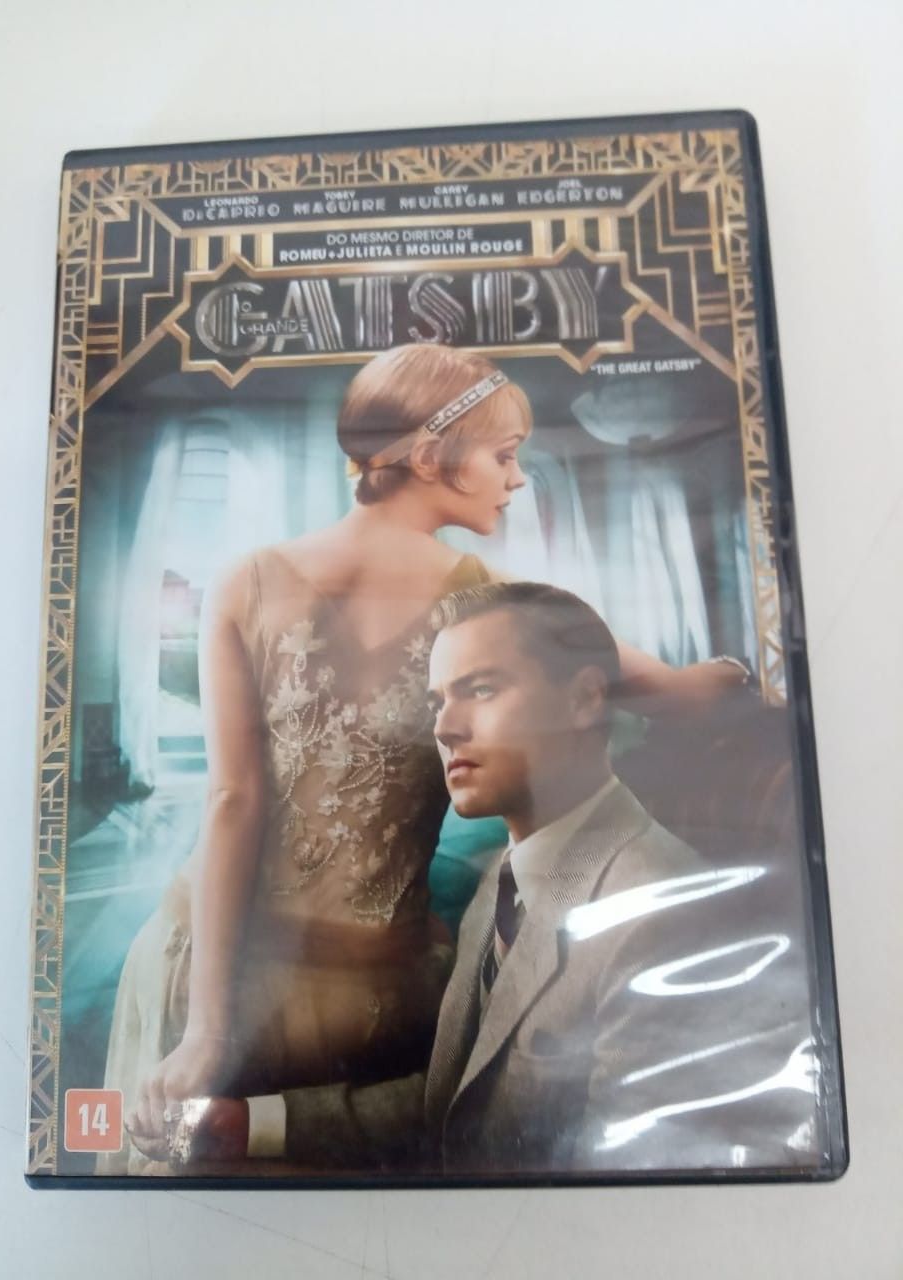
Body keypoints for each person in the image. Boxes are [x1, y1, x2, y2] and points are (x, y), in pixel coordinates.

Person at [109, 347, 751, 1174]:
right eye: (504, 455)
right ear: (428, 456)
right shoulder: (492, 606)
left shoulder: (244, 581)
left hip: (209, 967)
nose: (515, 479)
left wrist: (205, 1030)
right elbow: (670, 690)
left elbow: (231, 800)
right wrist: (730, 678)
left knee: (203, 1205)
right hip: (359, 988)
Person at [129, 583, 818, 1175]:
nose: (446, 728)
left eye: (482, 689)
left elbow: (628, 1194)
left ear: (585, 701)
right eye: (438, 701)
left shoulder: (660, 912)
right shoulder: (502, 883)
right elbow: (454, 1105)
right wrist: (247, 1125)